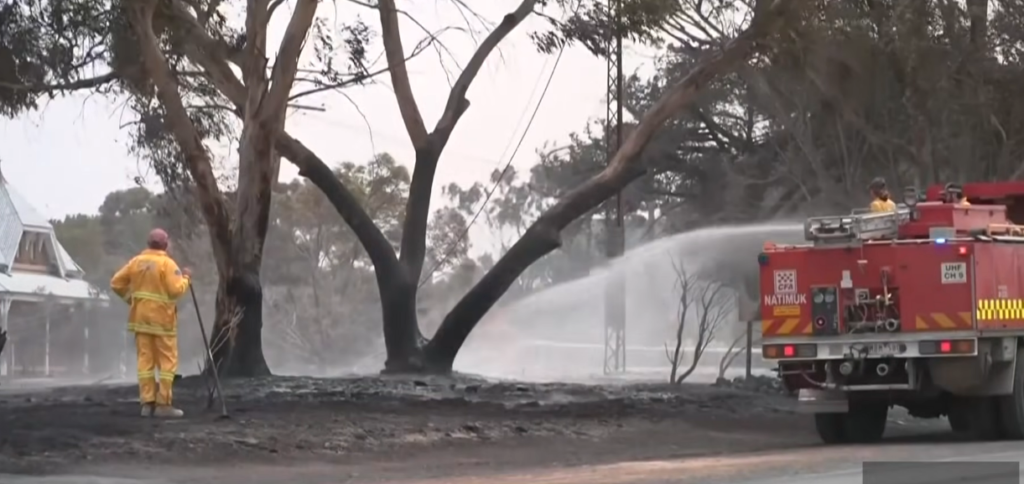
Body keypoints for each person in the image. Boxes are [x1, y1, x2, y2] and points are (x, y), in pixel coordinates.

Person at [110, 228, 191, 418]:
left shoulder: (136, 262)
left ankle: (147, 404)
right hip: (163, 321)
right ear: (165, 244)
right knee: (167, 363)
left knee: (145, 362)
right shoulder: (168, 264)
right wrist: (186, 278)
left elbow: (116, 283)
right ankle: (164, 405)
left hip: (140, 320)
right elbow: (175, 290)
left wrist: (132, 300)